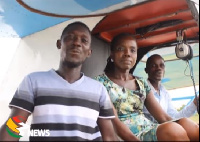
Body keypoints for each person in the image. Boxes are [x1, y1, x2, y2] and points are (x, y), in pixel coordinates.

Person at [0, 22, 119, 141]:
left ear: (89, 52)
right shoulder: (33, 81)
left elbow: (108, 136)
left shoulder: (99, 90)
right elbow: (14, 125)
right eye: (70, 37)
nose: (77, 43)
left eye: (84, 40)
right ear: (59, 44)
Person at [95, 33, 199, 141]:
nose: (127, 54)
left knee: (186, 123)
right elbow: (113, 122)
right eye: (121, 49)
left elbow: (163, 117)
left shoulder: (141, 82)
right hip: (124, 135)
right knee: (173, 130)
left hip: (147, 129)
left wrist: (180, 124)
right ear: (112, 54)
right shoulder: (100, 83)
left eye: (132, 50)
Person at [143, 54, 199, 123]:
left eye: (162, 65)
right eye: (154, 66)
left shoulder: (164, 92)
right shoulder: (142, 91)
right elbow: (165, 120)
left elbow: (175, 117)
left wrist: (194, 104)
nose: (159, 68)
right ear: (146, 70)